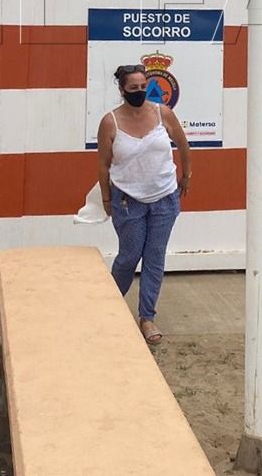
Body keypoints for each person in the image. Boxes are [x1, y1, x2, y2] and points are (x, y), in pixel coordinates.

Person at [96, 64, 191, 345]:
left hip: (165, 198)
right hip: (127, 201)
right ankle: (108, 307)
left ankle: (147, 316)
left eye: (142, 87)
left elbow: (184, 145)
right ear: (121, 89)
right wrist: (105, 198)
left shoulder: (163, 114)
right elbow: (103, 164)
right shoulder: (110, 121)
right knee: (128, 256)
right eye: (132, 88)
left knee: (155, 257)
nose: (138, 92)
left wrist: (187, 175)